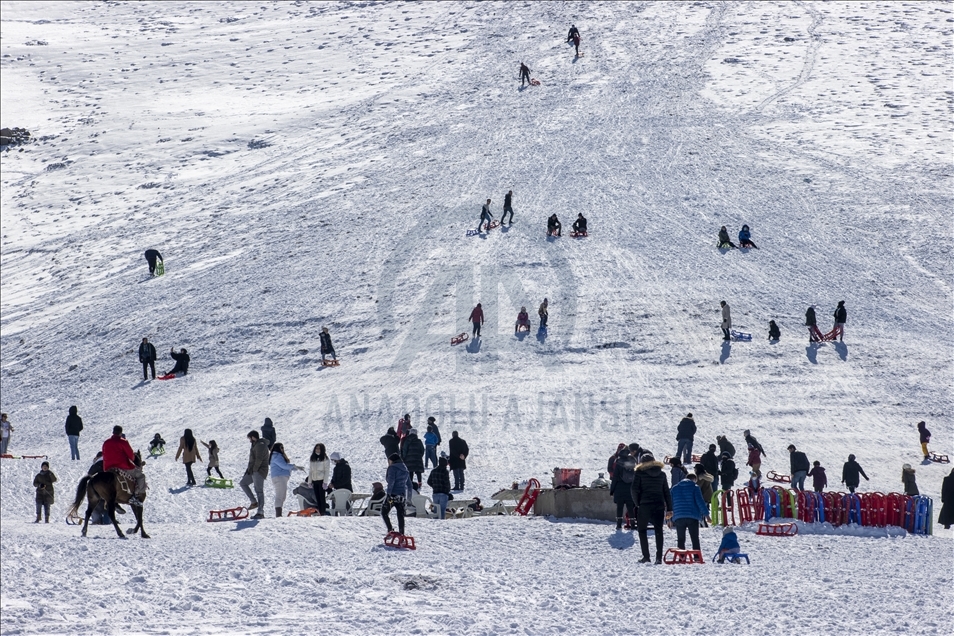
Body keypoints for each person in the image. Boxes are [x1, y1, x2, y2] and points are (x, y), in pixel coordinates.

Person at [631, 452, 672, 564]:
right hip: (659, 505)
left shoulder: (639, 473)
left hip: (644, 505)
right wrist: (669, 508)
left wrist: (637, 503)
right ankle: (658, 558)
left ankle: (646, 556)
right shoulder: (662, 474)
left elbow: (634, 490)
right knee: (659, 530)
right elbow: (666, 492)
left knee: (642, 530)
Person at [102, 425, 145, 505]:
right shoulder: (123, 442)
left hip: (108, 468)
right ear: (121, 433)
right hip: (122, 467)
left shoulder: (106, 442)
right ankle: (137, 496)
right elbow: (131, 456)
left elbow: (104, 454)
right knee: (141, 476)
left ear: (113, 432)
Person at [670, 474, 710, 551]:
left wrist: (669, 519)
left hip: (679, 516)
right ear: (694, 479)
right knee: (694, 538)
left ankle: (681, 557)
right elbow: (700, 502)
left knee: (681, 539)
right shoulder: (695, 487)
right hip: (692, 516)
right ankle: (696, 556)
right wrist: (706, 515)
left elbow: (671, 504)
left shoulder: (674, 488)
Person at [240, 430, 270, 519]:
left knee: (259, 491)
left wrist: (255, 470)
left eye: (250, 438)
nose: (249, 440)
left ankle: (260, 512)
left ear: (253, 437)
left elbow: (259, 459)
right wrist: (248, 470)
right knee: (243, 483)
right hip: (253, 471)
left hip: (259, 471)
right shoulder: (255, 445)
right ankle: (254, 502)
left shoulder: (260, 445)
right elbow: (252, 459)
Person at [269, 443, 302, 518]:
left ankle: (279, 513)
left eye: (283, 447)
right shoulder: (276, 456)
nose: (282, 449)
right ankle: (278, 514)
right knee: (280, 496)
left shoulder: (278, 456)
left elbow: (285, 466)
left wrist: (295, 468)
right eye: (281, 447)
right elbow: (284, 466)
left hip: (281, 477)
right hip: (279, 477)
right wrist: (294, 466)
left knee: (282, 496)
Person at [610, 447, 637, 530]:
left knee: (619, 507)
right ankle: (632, 524)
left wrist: (612, 490)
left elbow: (614, 478)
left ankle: (619, 524)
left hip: (619, 488)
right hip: (630, 489)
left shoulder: (618, 464)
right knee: (630, 507)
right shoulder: (633, 464)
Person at [382, 453, 410, 535]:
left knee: (384, 512)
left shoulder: (392, 468)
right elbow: (409, 484)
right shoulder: (405, 469)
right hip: (401, 496)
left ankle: (390, 529)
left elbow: (391, 482)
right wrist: (408, 497)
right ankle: (402, 533)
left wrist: (388, 495)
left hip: (392, 496)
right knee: (400, 514)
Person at [307, 444, 330, 515]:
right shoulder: (312, 458)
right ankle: (320, 512)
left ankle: (323, 511)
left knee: (322, 498)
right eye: (316, 448)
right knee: (317, 498)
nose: (317, 450)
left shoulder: (325, 458)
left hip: (321, 480)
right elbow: (311, 470)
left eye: (319, 449)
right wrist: (309, 481)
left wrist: (325, 482)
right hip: (314, 480)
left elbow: (327, 471)